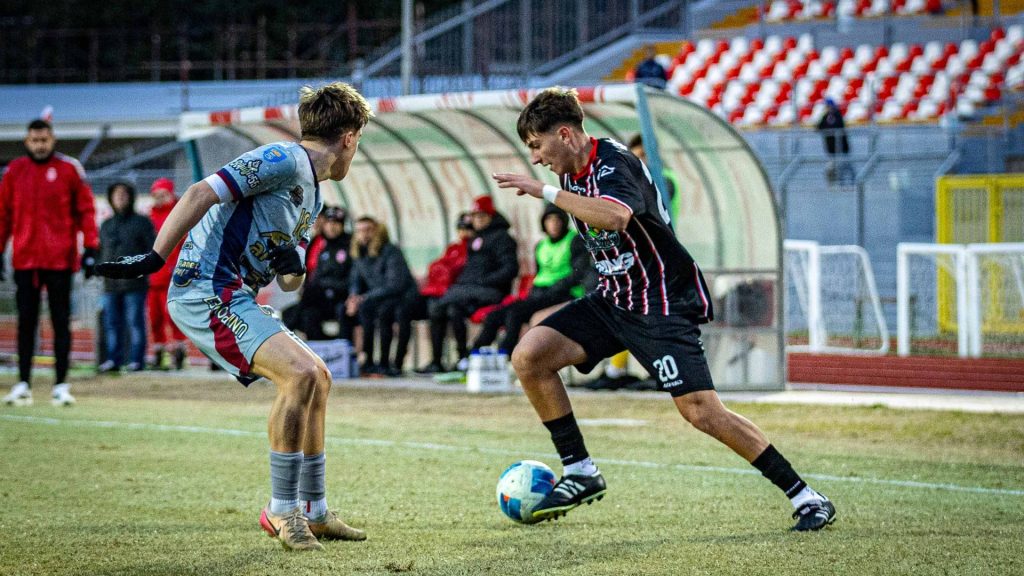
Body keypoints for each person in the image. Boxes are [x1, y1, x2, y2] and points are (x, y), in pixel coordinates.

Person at [492, 87, 836, 531]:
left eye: (537, 145)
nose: (535, 158)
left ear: (565, 134)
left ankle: (806, 496)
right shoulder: (572, 174)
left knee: (702, 411)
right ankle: (580, 471)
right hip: (615, 299)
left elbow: (615, 217)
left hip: (660, 303)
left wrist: (544, 192)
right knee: (530, 356)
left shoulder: (613, 162)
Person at [95, 82, 372, 551]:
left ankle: (315, 510)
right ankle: (282, 510)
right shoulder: (282, 159)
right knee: (300, 374)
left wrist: (293, 266)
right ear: (349, 137)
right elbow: (201, 192)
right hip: (204, 289)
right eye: (358, 140)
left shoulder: (313, 198)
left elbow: (290, 283)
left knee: (319, 378)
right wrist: (156, 257)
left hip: (235, 294)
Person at [0, 118, 99, 407]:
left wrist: (90, 247)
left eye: (44, 140)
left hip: (60, 261)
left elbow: (86, 210)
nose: (40, 145)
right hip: (25, 261)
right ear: (27, 141)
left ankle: (61, 384)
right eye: (35, 140)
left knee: (60, 322)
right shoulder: (14, 171)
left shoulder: (69, 169)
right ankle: (23, 383)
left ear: (52, 140)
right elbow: (3, 214)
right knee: (26, 323)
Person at [418, 196, 517, 373]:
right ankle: (446, 360)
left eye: (481, 216)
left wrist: (484, 281)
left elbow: (510, 269)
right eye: (475, 216)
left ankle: (462, 358)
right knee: (450, 310)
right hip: (470, 291)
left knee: (442, 306)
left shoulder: (503, 238)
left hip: (491, 292)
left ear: (490, 216)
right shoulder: (475, 238)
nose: (477, 220)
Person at [470, 204, 588, 353]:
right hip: (540, 293)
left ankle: (506, 353)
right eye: (549, 220)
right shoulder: (541, 245)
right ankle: (474, 353)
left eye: (557, 220)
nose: (553, 224)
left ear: (564, 221)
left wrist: (555, 288)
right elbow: (540, 273)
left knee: (515, 313)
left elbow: (578, 273)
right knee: (494, 315)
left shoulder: (574, 240)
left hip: (564, 294)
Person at [398, 212, 473, 374]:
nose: (464, 233)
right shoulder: (453, 248)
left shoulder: (475, 248)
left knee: (451, 310)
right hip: (443, 294)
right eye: (461, 229)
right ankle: (434, 360)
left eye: (468, 229)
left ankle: (462, 358)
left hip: (462, 296)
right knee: (416, 309)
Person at [97, 182, 156, 373]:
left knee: (135, 323)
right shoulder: (106, 225)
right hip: (110, 285)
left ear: (131, 197)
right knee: (112, 324)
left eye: (124, 194)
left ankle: (137, 361)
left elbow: (151, 250)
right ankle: (113, 360)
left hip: (135, 283)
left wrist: (140, 269)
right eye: (116, 195)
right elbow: (101, 251)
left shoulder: (142, 222)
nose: (120, 198)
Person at [346, 216, 415, 377]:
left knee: (387, 312)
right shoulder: (359, 254)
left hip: (402, 297)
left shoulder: (390, 251)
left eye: (368, 230)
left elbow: (395, 285)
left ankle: (391, 363)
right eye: (359, 231)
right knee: (359, 310)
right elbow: (355, 280)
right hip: (377, 298)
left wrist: (365, 297)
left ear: (377, 231)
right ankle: (367, 360)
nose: (364, 234)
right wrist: (353, 297)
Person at [286, 206, 354, 341]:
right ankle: (318, 347)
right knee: (307, 314)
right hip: (322, 298)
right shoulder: (323, 246)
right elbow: (316, 275)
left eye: (336, 223)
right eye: (329, 223)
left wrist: (325, 284)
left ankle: (284, 336)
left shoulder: (350, 246)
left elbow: (353, 277)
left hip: (341, 297)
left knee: (298, 309)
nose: (332, 227)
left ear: (342, 226)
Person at [146, 177, 189, 370]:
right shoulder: (149, 217)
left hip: (172, 275)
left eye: (163, 194)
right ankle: (159, 352)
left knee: (172, 315)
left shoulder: (180, 214)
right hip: (154, 277)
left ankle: (179, 350)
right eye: (156, 195)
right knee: (155, 317)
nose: (159, 198)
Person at [816, 98, 854, 184]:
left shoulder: (837, 115)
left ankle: (851, 182)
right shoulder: (825, 117)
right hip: (831, 149)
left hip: (842, 148)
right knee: (831, 168)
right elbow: (819, 127)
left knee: (845, 166)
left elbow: (838, 126)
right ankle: (833, 184)